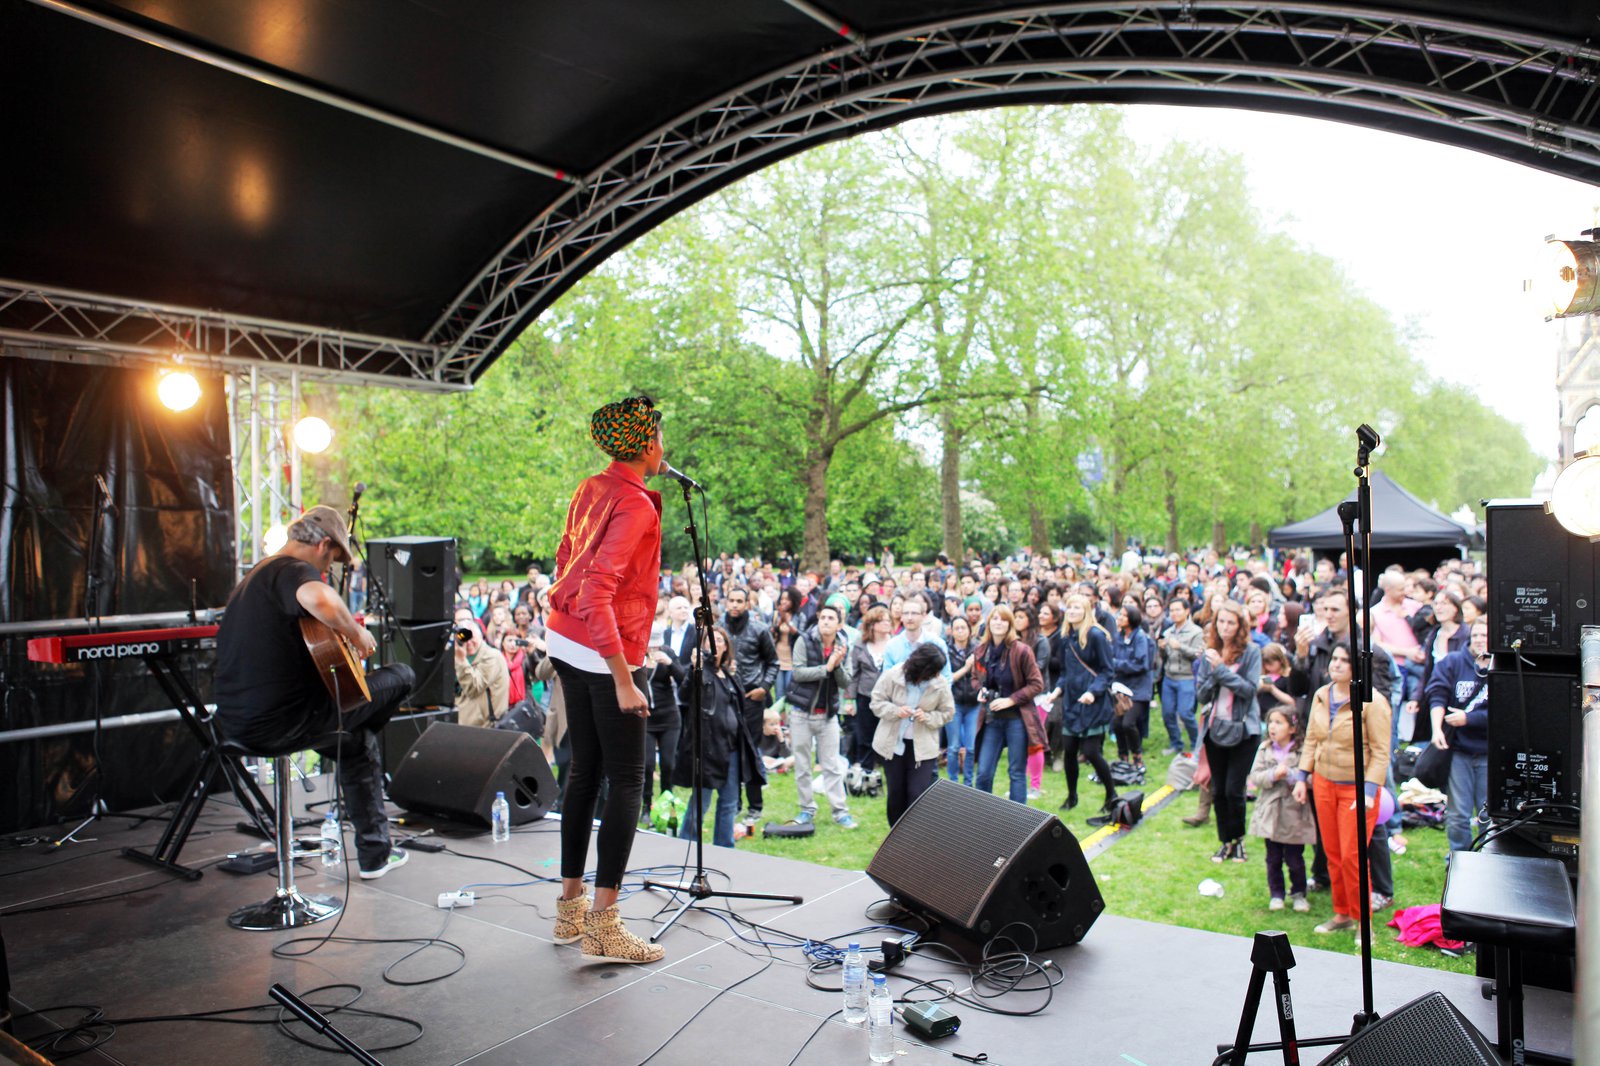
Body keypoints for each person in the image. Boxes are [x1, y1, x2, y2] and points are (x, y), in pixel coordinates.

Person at [215, 506, 413, 880]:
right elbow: (319, 599)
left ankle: (376, 854)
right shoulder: (291, 570)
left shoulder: (251, 580)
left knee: (355, 741)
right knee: (402, 675)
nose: (327, 569)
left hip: (233, 725)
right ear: (323, 544)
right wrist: (357, 635)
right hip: (286, 722)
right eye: (332, 560)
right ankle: (373, 854)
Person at [546, 395, 667, 965]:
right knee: (626, 781)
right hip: (603, 648)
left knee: (585, 770)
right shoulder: (636, 503)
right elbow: (597, 589)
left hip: (566, 638)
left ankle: (569, 911)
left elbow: (566, 557)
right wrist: (624, 677)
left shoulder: (591, 486)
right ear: (647, 445)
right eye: (661, 438)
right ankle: (603, 924)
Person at [1294, 645, 1392, 934]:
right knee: (1332, 853)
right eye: (1334, 658)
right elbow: (1311, 739)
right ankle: (1342, 914)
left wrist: (1369, 792)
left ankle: (1365, 924)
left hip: (1357, 790)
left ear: (1356, 668)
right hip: (1324, 783)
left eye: (1343, 660)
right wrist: (1302, 776)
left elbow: (1381, 752)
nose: (1336, 664)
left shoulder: (1372, 702)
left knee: (1352, 856)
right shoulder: (1322, 695)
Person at [675, 628, 763, 848]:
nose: (715, 644)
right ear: (703, 646)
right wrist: (694, 668)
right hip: (707, 749)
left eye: (719, 640)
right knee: (700, 802)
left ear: (726, 646)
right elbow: (684, 695)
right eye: (710, 640)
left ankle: (724, 847)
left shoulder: (731, 674)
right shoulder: (700, 672)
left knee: (729, 802)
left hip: (732, 748)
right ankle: (686, 844)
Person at [1197, 600, 1263, 863]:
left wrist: (1221, 671)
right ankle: (1225, 841)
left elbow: (1249, 690)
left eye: (1231, 623)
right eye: (1221, 621)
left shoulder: (1251, 652)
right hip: (1215, 728)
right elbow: (1202, 694)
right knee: (1220, 790)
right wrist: (1214, 672)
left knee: (1235, 790)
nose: (1225, 627)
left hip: (1244, 729)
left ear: (1240, 626)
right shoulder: (1211, 651)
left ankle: (1238, 841)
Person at [783, 604, 858, 829]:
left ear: (839, 624)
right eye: (822, 617)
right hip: (801, 714)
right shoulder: (804, 641)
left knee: (831, 765)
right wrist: (826, 668)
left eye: (830, 618)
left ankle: (840, 812)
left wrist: (835, 667)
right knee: (803, 765)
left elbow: (846, 681)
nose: (825, 621)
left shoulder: (844, 647)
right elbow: (798, 673)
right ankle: (806, 809)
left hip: (828, 715)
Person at [871, 642, 956, 825]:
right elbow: (876, 702)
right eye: (933, 670)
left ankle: (912, 836)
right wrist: (895, 711)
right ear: (922, 668)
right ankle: (894, 834)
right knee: (896, 793)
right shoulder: (893, 675)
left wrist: (927, 716)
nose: (936, 675)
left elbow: (948, 712)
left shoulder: (939, 684)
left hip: (922, 748)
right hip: (893, 745)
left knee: (917, 794)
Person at [1425, 619, 1491, 853]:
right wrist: (1436, 729)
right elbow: (1437, 694)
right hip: (1459, 751)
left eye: (1485, 635)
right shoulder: (1453, 662)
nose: (1480, 639)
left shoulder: (1502, 667)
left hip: (1488, 752)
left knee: (1488, 815)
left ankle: (1489, 859)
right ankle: (1458, 860)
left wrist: (1469, 718)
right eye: (1476, 635)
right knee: (1457, 815)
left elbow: (1507, 710)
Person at [972, 605, 1046, 803]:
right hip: (991, 719)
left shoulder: (1022, 650)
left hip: (1017, 719)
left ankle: (1018, 823)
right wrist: (980, 690)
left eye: (1003, 619)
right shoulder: (981, 651)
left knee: (1016, 772)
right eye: (994, 618)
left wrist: (1011, 700)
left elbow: (1037, 684)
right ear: (988, 623)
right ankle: (981, 817)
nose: (998, 622)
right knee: (984, 773)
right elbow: (975, 677)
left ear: (1010, 624)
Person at [1249, 707, 1317, 912]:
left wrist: (1291, 775)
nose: (1272, 726)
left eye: (1279, 722)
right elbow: (1255, 777)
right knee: (1273, 857)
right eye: (1270, 722)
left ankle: (1299, 893)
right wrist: (1272, 775)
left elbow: (1312, 778)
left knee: (1295, 858)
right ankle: (1276, 894)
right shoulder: (1264, 749)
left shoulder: (1303, 751)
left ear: (1292, 728)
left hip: (1294, 812)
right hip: (1270, 812)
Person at [722, 584, 778, 827]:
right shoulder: (718, 630)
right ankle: (734, 803)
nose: (735, 605)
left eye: (739, 601)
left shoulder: (759, 629)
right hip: (725, 698)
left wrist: (763, 688)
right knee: (729, 751)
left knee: (751, 751)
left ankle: (755, 805)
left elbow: (773, 662)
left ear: (747, 604)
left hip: (751, 699)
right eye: (731, 600)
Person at [1056, 593, 1118, 814]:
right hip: (1072, 702)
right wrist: (1056, 690)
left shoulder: (1096, 636)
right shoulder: (1065, 638)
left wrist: (1093, 692)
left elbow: (1107, 671)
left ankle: (1112, 794)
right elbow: (1065, 671)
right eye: (1069, 607)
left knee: (1091, 752)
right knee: (1070, 750)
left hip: (1093, 702)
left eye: (1077, 607)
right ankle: (1072, 796)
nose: (1072, 611)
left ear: (1086, 611)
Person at [845, 605, 891, 779]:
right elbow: (853, 673)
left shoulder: (894, 643)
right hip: (866, 696)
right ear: (872, 624)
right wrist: (850, 699)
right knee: (865, 735)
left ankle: (889, 772)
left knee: (887, 735)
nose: (887, 623)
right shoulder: (860, 645)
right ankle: (866, 772)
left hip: (889, 698)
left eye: (888, 620)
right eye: (882, 620)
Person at [1110, 602, 1155, 768]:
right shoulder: (1118, 637)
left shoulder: (1141, 638)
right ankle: (1123, 757)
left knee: (1128, 723)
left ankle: (1137, 757)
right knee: (1116, 723)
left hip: (1138, 688)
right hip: (1121, 688)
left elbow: (1141, 664)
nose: (1119, 618)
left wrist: (1117, 664)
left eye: (1123, 615)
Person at [1159, 596, 1204, 753]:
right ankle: (1176, 744)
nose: (1174, 613)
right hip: (1169, 677)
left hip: (1187, 677)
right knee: (1167, 713)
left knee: (1186, 714)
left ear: (1187, 611)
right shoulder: (1168, 632)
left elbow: (1198, 655)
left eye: (1178, 609)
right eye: (1171, 610)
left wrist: (1180, 647)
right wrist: (1162, 648)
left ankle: (1196, 744)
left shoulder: (1196, 632)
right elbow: (1164, 657)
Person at [943, 615, 981, 787]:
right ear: (951, 631)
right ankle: (953, 783)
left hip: (974, 702)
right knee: (953, 747)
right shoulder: (946, 650)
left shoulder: (978, 649)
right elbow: (947, 678)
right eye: (956, 628)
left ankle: (968, 783)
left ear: (969, 630)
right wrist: (966, 668)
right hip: (954, 702)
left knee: (971, 747)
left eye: (963, 627)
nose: (960, 631)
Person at [455, 618, 511, 728]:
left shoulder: (491, 656)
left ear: (481, 636)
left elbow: (474, 688)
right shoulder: (460, 655)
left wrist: (461, 661)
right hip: (464, 725)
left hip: (486, 727)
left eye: (472, 637)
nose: (468, 642)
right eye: (464, 639)